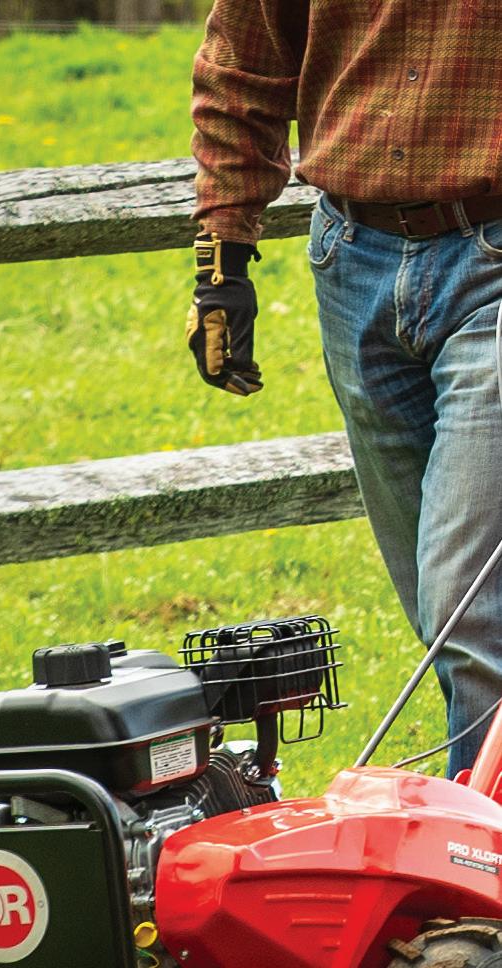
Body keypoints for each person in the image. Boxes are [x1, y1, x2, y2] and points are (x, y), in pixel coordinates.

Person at [185, 0, 502, 778]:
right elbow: (241, 66)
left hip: (495, 253)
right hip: (352, 261)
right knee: (441, 610)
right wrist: (222, 264)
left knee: (465, 605)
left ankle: (475, 842)